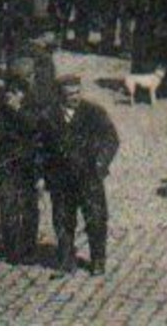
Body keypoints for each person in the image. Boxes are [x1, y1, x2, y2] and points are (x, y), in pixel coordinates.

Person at [40, 75, 120, 276]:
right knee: (63, 220)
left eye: (77, 92)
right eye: (69, 94)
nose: (74, 97)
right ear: (59, 96)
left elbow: (111, 140)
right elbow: (40, 147)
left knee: (96, 219)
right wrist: (43, 174)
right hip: (61, 179)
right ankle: (66, 259)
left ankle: (98, 260)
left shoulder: (94, 113)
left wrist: (100, 164)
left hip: (88, 177)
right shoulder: (48, 116)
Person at [0, 76, 40, 264]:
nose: (9, 96)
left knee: (28, 207)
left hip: (27, 166)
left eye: (14, 92)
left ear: (23, 95)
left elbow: (35, 128)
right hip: (5, 164)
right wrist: (1, 105)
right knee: (8, 205)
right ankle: (12, 251)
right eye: (7, 91)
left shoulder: (32, 109)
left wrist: (18, 113)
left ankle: (30, 248)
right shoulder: (0, 108)